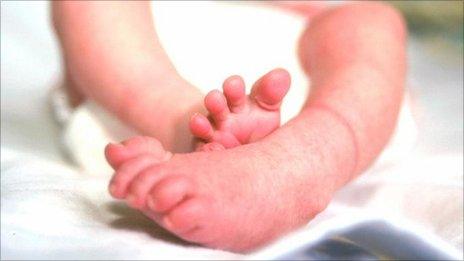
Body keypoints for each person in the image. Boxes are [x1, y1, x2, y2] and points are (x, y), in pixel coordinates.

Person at [52, 1, 406, 252]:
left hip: (320, 81)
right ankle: (190, 128)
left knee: (372, 19)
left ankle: (310, 154)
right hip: (143, 87)